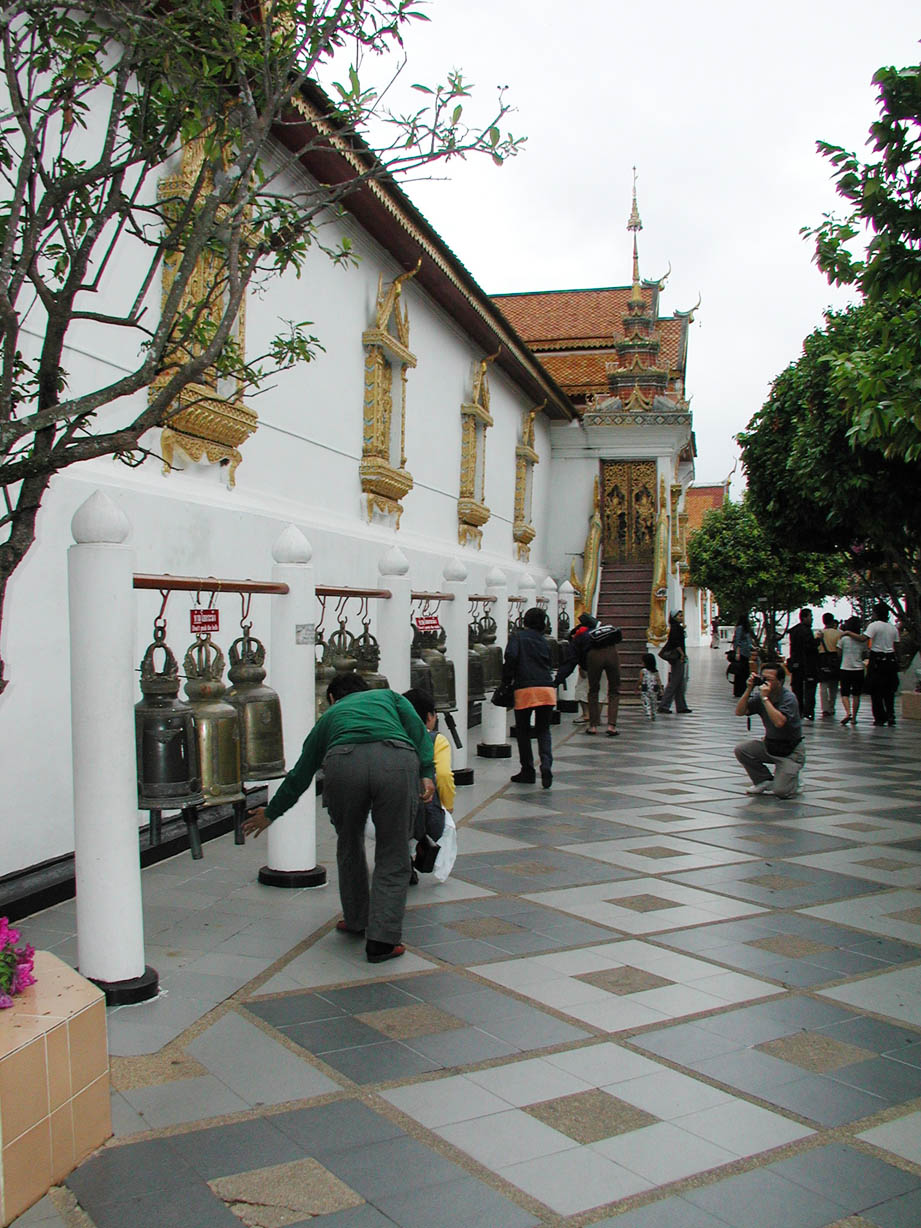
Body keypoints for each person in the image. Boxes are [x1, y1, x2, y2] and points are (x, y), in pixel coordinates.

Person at [242, 673, 434, 964]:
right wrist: (427, 773)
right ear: (365, 690)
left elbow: (301, 773)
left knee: (349, 843)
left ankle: (356, 920)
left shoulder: (329, 717)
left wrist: (271, 813)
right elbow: (418, 731)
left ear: (332, 698)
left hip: (344, 765)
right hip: (396, 762)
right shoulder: (389, 697)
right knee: (393, 851)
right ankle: (382, 941)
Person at [401, 687, 455, 870]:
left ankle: (401, 860)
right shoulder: (436, 740)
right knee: (440, 825)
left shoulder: (391, 735)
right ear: (430, 716)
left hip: (383, 811)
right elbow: (443, 775)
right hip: (423, 815)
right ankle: (418, 859)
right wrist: (448, 804)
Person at [734, 662, 805, 798]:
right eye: (763, 678)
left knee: (782, 792)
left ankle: (794, 776)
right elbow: (740, 711)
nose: (765, 683)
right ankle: (763, 780)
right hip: (771, 745)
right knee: (742, 750)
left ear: (780, 681)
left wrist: (765, 699)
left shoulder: (788, 698)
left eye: (770, 679)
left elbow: (779, 722)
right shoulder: (760, 696)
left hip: (791, 751)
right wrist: (748, 689)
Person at [505, 606, 556, 786]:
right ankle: (546, 764)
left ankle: (527, 770)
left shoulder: (517, 637)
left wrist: (506, 682)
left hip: (525, 688)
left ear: (525, 621)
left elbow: (511, 657)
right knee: (543, 729)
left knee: (523, 731)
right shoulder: (545, 641)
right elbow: (551, 662)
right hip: (546, 688)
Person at [556, 612, 621, 736]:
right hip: (612, 654)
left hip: (594, 657)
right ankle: (611, 726)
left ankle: (593, 726)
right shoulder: (604, 631)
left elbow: (571, 661)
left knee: (593, 690)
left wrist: (557, 680)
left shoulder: (579, 636)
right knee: (614, 691)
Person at [865, 602, 900, 726]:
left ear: (876, 613)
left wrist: (848, 633)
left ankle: (879, 717)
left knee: (875, 690)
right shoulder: (893, 628)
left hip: (877, 658)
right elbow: (896, 645)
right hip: (890, 658)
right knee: (889, 690)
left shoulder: (873, 626)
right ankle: (890, 714)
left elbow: (864, 638)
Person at [787, 608, 819, 720]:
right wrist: (818, 640)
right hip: (807, 664)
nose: (812, 619)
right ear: (804, 617)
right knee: (809, 688)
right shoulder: (806, 631)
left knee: (797, 688)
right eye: (810, 616)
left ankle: (798, 710)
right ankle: (808, 711)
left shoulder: (794, 630)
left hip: (796, 663)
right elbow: (809, 647)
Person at [658, 611, 691, 714]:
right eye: (679, 616)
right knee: (674, 682)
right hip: (677, 657)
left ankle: (681, 706)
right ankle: (664, 705)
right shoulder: (676, 628)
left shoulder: (677, 627)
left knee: (680, 682)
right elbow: (676, 642)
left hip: (678, 656)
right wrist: (682, 654)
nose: (682, 617)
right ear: (674, 617)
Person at [838, 615, 868, 726]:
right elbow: (864, 654)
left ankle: (848, 712)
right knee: (856, 694)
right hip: (858, 669)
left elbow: (839, 653)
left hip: (845, 668)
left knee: (844, 693)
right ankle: (854, 717)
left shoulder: (843, 639)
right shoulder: (862, 641)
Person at [816, 612, 843, 719]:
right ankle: (832, 707)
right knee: (834, 685)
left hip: (822, 659)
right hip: (835, 659)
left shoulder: (819, 633)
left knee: (823, 685)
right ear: (832, 621)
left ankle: (825, 709)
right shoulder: (838, 634)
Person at [730, 615, 755, 698]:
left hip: (746, 653)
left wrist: (752, 647)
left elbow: (748, 641)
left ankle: (744, 690)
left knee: (745, 673)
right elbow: (737, 641)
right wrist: (737, 652)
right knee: (740, 673)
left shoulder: (745, 629)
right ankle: (739, 691)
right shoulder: (740, 628)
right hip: (741, 653)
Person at [638, 652, 663, 720]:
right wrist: (661, 689)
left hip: (645, 688)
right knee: (653, 702)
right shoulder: (655, 671)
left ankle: (648, 712)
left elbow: (640, 680)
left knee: (646, 701)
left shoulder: (643, 671)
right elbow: (658, 680)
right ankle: (653, 713)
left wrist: (638, 686)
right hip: (654, 688)